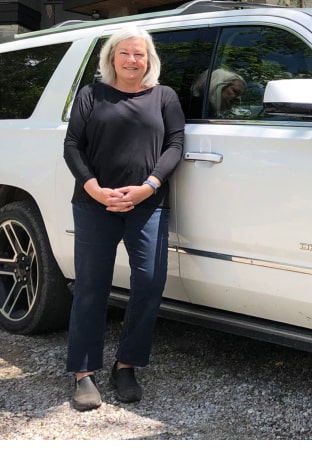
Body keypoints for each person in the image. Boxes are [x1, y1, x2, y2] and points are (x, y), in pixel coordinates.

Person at [62, 25, 185, 411]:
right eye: (125, 53)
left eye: (140, 54)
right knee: (91, 286)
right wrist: (93, 187)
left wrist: (149, 185)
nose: (133, 60)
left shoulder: (164, 96)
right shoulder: (91, 95)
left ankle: (127, 364)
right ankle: (84, 373)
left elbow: (176, 143)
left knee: (149, 283)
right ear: (111, 57)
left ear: (150, 60)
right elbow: (72, 146)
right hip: (94, 202)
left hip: (147, 203)